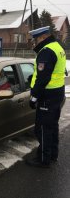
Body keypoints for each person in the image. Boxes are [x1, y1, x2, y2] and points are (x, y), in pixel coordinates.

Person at [26, 26, 66, 168]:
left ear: (42, 38)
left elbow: (43, 78)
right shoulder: (58, 47)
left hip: (47, 96)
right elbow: (56, 71)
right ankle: (52, 154)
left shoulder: (46, 51)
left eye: (35, 39)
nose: (33, 43)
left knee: (42, 128)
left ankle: (43, 159)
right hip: (57, 92)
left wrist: (34, 96)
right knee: (52, 126)